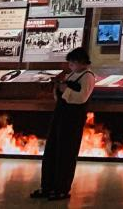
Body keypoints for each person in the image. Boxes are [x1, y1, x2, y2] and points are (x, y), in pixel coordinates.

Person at [30, 47, 95, 201]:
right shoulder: (71, 74)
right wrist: (58, 88)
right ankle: (47, 186)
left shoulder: (88, 77)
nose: (70, 66)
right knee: (52, 150)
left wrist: (66, 89)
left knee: (66, 153)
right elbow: (61, 95)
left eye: (72, 63)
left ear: (81, 62)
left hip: (73, 119)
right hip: (60, 115)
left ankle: (62, 188)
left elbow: (81, 97)